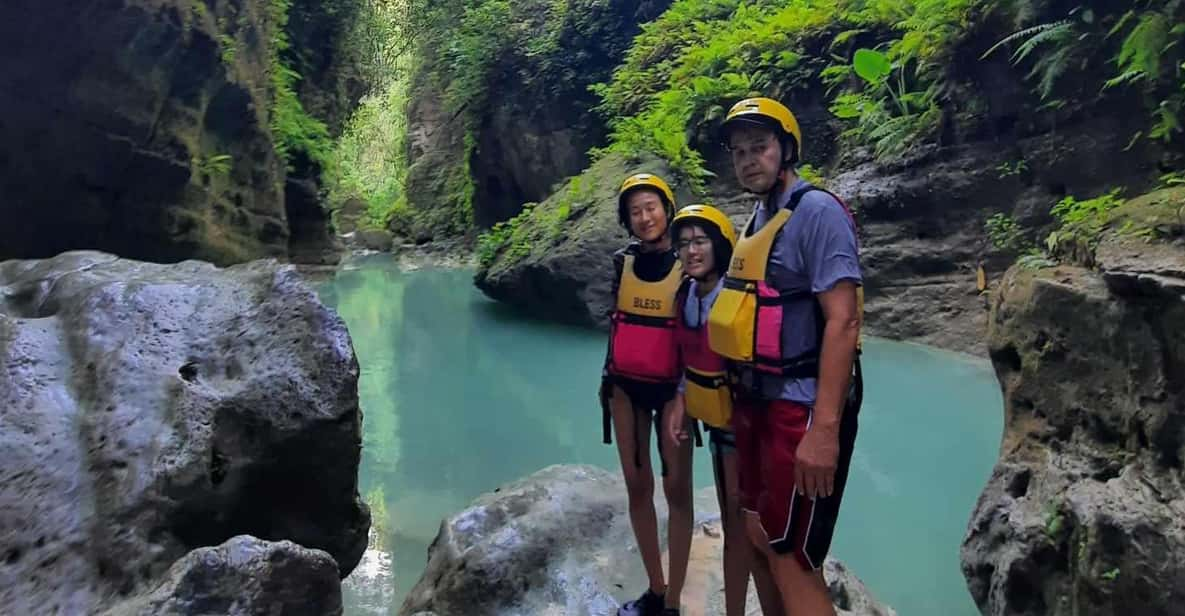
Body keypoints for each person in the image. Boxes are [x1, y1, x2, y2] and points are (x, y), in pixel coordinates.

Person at [708, 97, 865, 616]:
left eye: (760, 147)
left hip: (800, 407)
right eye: (739, 152)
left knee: (791, 554)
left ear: (786, 150)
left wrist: (824, 431)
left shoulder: (817, 212)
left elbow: (843, 320)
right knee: (758, 531)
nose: (749, 160)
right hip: (758, 403)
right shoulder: (757, 218)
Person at [664, 205, 785, 616]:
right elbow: (689, 359)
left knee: (750, 533)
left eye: (699, 241)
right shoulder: (688, 295)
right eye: (683, 244)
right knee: (736, 531)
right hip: (720, 430)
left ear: (718, 245)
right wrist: (682, 404)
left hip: (750, 429)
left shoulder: (736, 296)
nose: (692, 251)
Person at [599, 173, 695, 616]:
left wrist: (686, 394)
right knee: (638, 486)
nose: (644, 217)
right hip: (626, 387)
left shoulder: (690, 263)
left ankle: (674, 599)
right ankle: (656, 590)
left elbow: (699, 334)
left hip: (674, 390)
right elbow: (616, 325)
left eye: (651, 207)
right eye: (635, 211)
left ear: (667, 208)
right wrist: (608, 383)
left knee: (677, 490)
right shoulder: (623, 262)